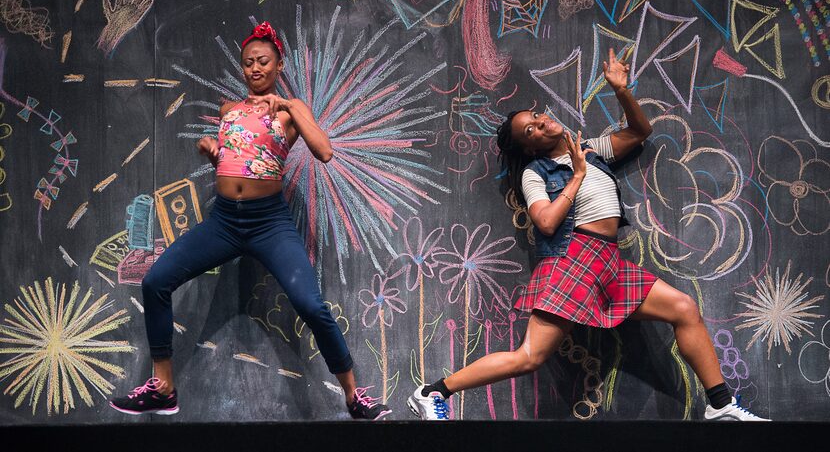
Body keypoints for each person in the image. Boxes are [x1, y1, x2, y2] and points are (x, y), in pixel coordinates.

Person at [407, 49, 769, 422]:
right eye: (529, 131)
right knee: (530, 356)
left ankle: (720, 404)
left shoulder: (592, 150)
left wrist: (621, 90)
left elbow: (640, 132)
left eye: (534, 117)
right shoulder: (537, 173)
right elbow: (545, 223)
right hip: (572, 260)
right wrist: (576, 176)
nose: (538, 124)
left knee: (684, 309)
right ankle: (435, 391)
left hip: (609, 260)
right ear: (530, 147)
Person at [110, 22, 391, 421]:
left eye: (263, 62)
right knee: (156, 281)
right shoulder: (230, 111)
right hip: (224, 222)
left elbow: (324, 151)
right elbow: (239, 160)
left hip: (269, 222)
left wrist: (292, 106)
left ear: (278, 65)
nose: (254, 69)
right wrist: (212, 152)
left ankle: (353, 396)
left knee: (311, 305)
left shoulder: (293, 111)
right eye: (248, 64)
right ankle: (164, 389)